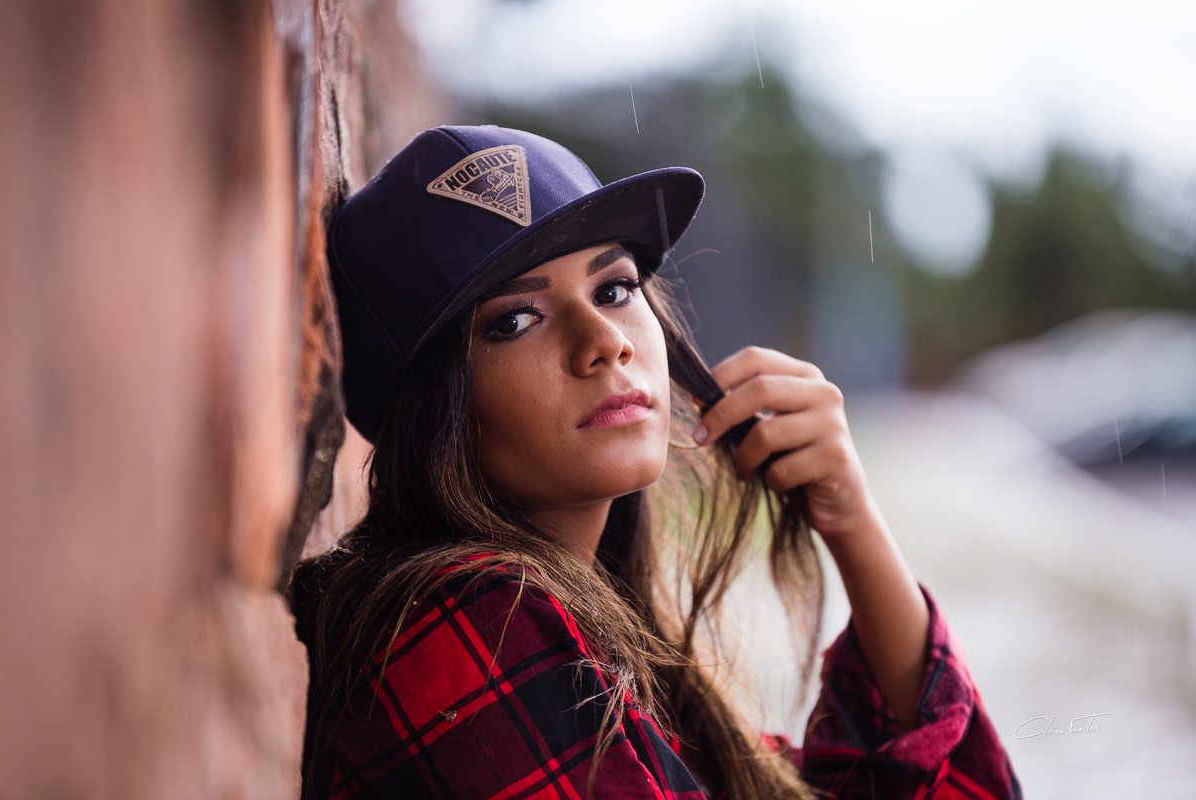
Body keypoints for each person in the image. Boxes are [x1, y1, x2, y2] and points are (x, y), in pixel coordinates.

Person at [290, 125, 1021, 800]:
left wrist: (852, 518)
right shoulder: (469, 623)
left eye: (613, 289)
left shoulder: (616, 656)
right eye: (514, 320)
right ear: (432, 408)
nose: (605, 341)